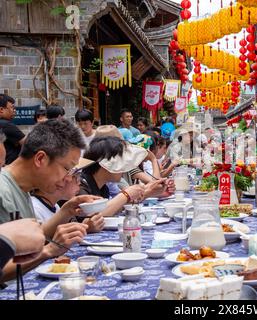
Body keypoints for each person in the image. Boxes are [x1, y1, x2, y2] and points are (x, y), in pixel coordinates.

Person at [0, 119, 97, 281]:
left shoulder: (21, 187)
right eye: (67, 168)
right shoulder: (3, 192)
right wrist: (48, 251)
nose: (68, 178)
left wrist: (66, 210)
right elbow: (3, 265)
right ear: (40, 159)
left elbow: (26, 239)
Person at [79, 136, 168, 216]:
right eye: (120, 161)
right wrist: (127, 194)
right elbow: (95, 214)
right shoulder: (80, 186)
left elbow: (112, 209)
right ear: (106, 164)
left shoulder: (103, 188)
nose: (124, 168)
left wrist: (147, 192)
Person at [31, 158, 105, 233]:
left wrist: (84, 226)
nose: (79, 182)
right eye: (76, 176)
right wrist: (85, 228)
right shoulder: (35, 208)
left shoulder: (55, 205)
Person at [0, 94, 25, 164]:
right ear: (1, 109)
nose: (14, 110)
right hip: (10, 166)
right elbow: (28, 143)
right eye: (12, 107)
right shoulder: (6, 125)